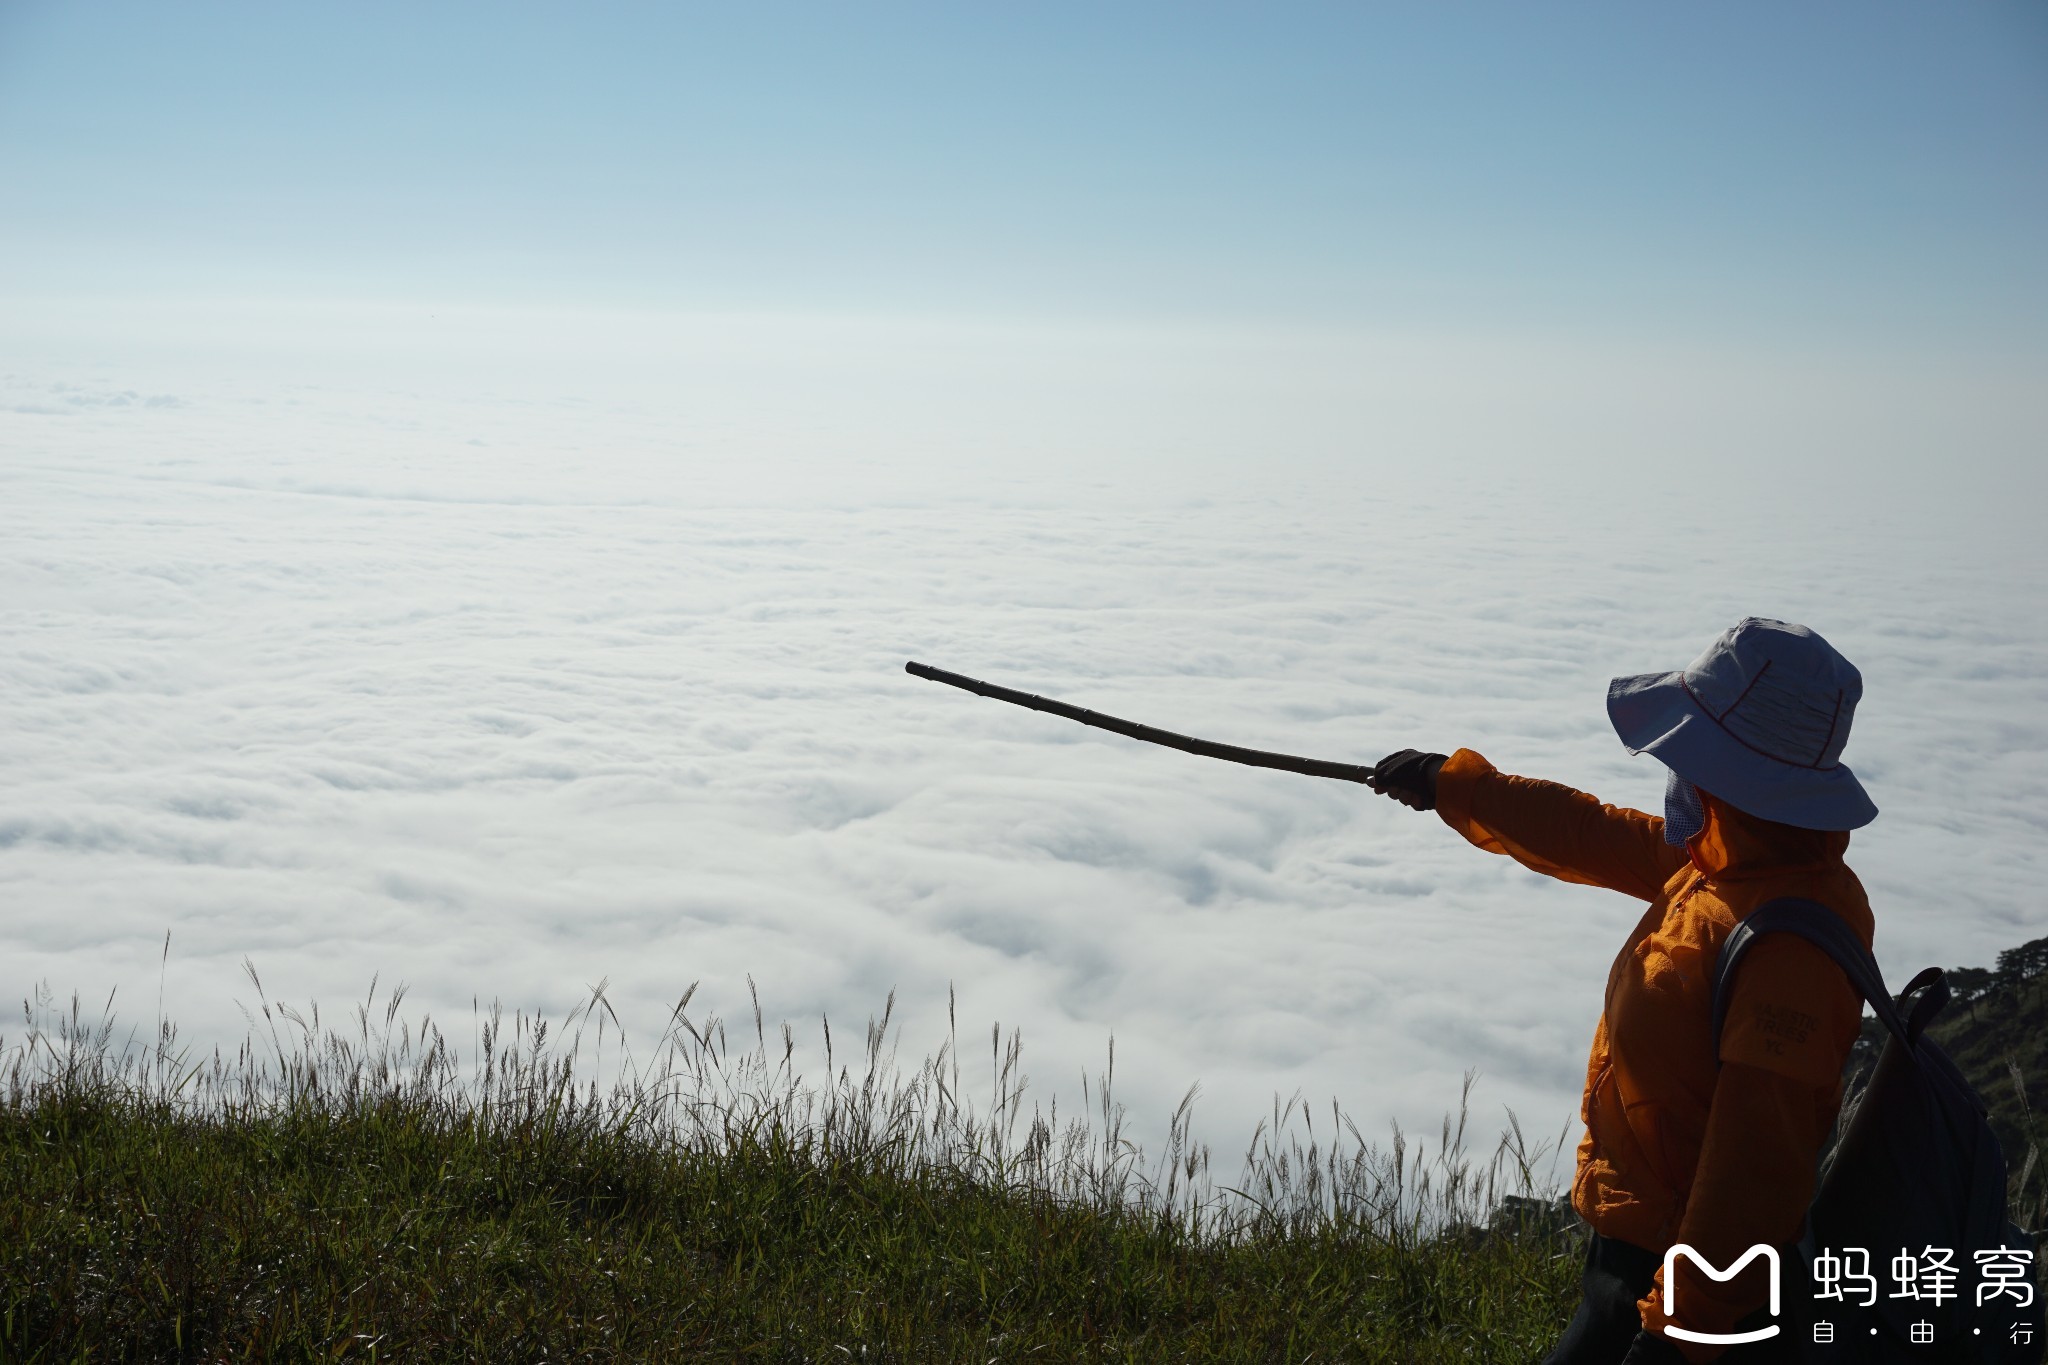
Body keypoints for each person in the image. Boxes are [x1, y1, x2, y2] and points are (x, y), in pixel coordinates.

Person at [1368, 618, 1878, 1365]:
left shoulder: (1787, 939)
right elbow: (1590, 831)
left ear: (1731, 769)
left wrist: (1679, 1332)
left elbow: (1756, 1167)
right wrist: (1455, 785)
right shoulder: (1725, 866)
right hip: (1632, 1261)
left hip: (1672, 1288)